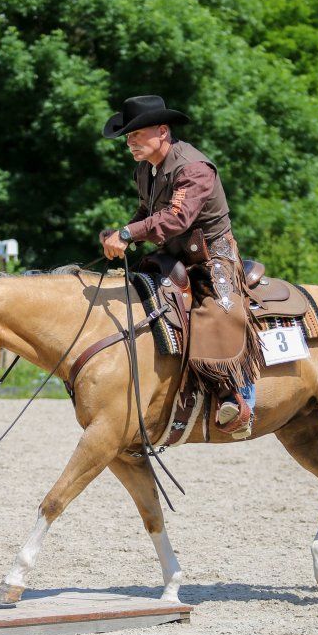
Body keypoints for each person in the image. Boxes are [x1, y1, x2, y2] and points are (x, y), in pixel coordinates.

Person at [100, 95, 264, 438]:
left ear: (162, 131)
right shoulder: (145, 170)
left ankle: (237, 396)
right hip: (172, 255)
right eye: (127, 137)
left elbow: (177, 218)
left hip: (211, 256)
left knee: (218, 310)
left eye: (136, 135)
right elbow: (147, 212)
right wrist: (122, 231)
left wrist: (129, 234)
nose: (130, 142)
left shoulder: (193, 168)